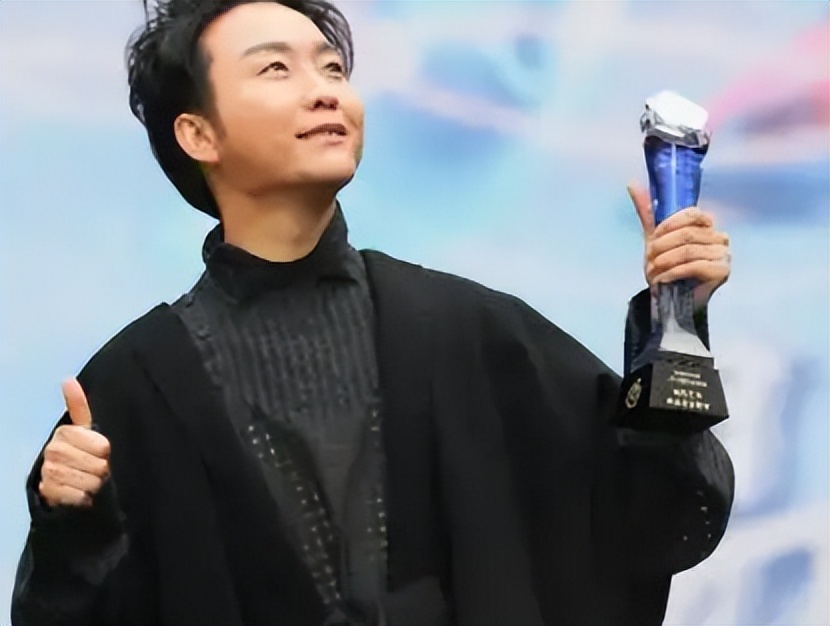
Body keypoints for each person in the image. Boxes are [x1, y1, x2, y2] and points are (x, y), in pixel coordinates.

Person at [10, 1, 734, 624]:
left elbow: (651, 515)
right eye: (276, 69)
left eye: (332, 69)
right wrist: (74, 524)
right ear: (199, 134)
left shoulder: (467, 330)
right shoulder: (134, 388)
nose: (324, 92)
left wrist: (675, 319)